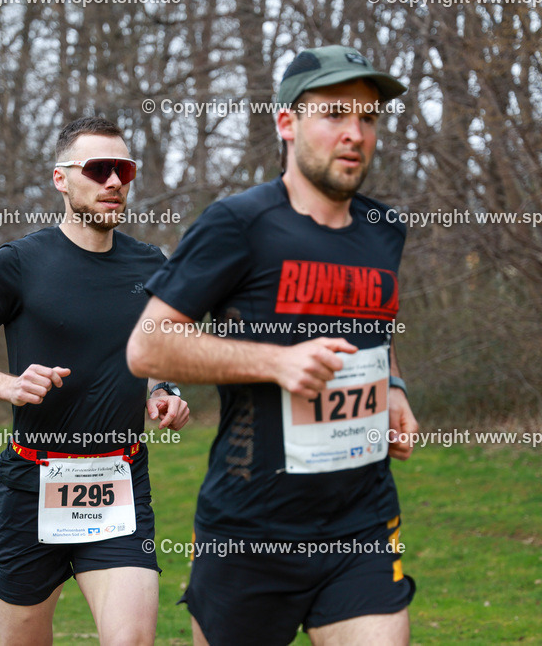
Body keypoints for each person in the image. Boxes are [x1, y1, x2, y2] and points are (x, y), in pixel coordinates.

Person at [126, 46, 420, 645]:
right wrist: (276, 361)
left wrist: (392, 387)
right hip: (251, 527)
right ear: (286, 122)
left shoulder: (384, 230)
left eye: (368, 118)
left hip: (360, 520)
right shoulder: (237, 224)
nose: (354, 133)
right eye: (334, 114)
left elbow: (374, 327)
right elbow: (148, 346)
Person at [0, 116, 190, 645]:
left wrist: (165, 394)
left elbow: (156, 357)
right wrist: (6, 385)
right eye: (99, 169)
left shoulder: (152, 264)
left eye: (124, 170)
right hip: (33, 482)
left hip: (120, 480)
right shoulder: (18, 264)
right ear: (61, 178)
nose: (114, 182)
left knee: (132, 640)